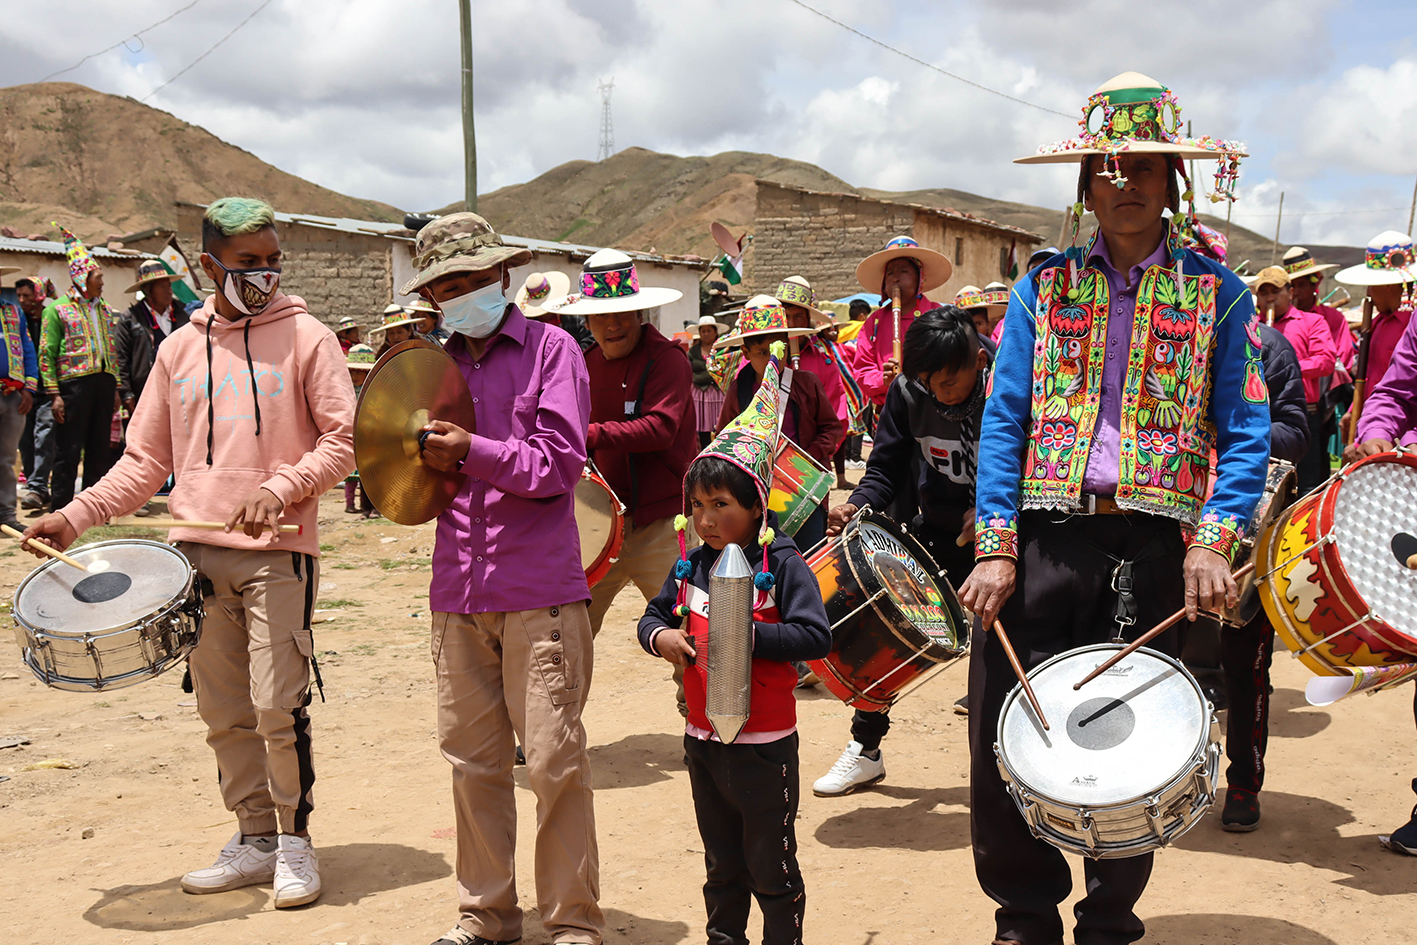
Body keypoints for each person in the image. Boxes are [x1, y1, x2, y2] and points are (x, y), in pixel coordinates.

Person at [959, 73, 1268, 945]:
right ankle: (1022, 914)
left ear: (1174, 180)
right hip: (1040, 539)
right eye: (1104, 167)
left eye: (1142, 167)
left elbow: (1244, 430)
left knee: (1131, 734)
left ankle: (1108, 917)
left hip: (1150, 546)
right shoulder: (1041, 288)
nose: (1122, 183)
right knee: (1004, 721)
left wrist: (1211, 539)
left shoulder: (1219, 295)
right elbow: (1004, 421)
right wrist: (994, 545)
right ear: (1083, 183)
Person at [23, 197, 355, 908]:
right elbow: (144, 459)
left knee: (277, 701)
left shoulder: (308, 337)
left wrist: (285, 484)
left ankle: (295, 840)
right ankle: (254, 837)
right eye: (247, 264)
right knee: (223, 708)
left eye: (271, 261)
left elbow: (343, 440)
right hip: (193, 558)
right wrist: (74, 516)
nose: (263, 275)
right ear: (208, 266)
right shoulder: (178, 348)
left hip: (279, 551)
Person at [402, 212, 602, 945]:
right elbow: (405, 481)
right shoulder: (430, 367)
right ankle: (485, 914)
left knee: (553, 760)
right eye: (444, 286)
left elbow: (556, 466)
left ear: (502, 277)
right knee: (472, 762)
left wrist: (470, 451)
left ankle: (572, 918)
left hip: (539, 590)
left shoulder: (554, 351)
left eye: (470, 280)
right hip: (456, 592)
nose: (460, 295)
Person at [637, 340, 831, 945]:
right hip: (702, 741)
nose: (706, 519)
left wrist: (744, 635)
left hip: (764, 746)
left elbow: (813, 635)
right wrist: (663, 636)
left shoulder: (783, 564)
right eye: (697, 506)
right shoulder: (690, 566)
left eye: (721, 505)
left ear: (755, 507)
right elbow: (650, 616)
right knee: (721, 867)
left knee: (770, 866)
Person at [814, 306, 989, 796]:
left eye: (950, 383)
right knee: (882, 631)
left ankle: (1006, 769)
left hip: (1003, 536)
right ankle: (866, 750)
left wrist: (994, 512)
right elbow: (885, 468)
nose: (939, 395)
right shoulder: (909, 391)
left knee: (1003, 649)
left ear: (978, 361)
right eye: (928, 383)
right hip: (936, 530)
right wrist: (858, 504)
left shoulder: (1008, 387)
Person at [550, 249, 698, 645]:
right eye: (600, 316)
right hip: (601, 523)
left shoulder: (669, 360)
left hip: (666, 525)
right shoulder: (585, 363)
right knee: (567, 633)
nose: (612, 325)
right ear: (587, 320)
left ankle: (701, 709)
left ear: (639, 314)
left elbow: (659, 428)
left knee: (692, 633)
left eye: (621, 314)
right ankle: (561, 709)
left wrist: (586, 434)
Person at [1205, 320, 1309, 832]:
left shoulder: (1267, 347)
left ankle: (1243, 782)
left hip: (1249, 530)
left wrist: (1232, 428)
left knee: (1245, 668)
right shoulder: (1141, 332)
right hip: (1162, 522)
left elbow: (1296, 432)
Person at [716, 296, 841, 550]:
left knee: (807, 557)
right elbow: (723, 437)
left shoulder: (807, 383)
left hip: (804, 492)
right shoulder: (738, 390)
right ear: (746, 353)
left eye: (778, 350)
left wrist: (810, 458)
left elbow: (832, 428)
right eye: (763, 353)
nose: (773, 359)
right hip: (754, 496)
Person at [42, 225, 120, 512]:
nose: (101, 282)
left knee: (99, 449)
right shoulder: (58, 310)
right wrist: (54, 395)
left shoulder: (104, 309)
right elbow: (46, 353)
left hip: (103, 384)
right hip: (73, 387)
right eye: (98, 277)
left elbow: (110, 350)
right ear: (82, 278)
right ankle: (62, 509)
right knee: (69, 449)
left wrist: (115, 387)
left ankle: (93, 509)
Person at [1252, 266, 1337, 494]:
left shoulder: (1312, 322)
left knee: (1306, 485)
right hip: (1258, 414)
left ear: (1290, 293)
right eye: (1264, 292)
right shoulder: (1249, 329)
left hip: (1300, 415)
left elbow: (1326, 360)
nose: (1270, 297)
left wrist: (1284, 364)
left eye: (1276, 291)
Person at [774, 276, 865, 490]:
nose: (793, 324)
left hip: (812, 463)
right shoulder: (762, 357)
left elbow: (835, 417)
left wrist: (815, 451)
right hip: (769, 460)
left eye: (798, 317)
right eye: (787, 317)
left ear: (808, 320)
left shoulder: (823, 359)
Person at [852, 236, 953, 407]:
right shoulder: (874, 322)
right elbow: (862, 370)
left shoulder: (938, 314)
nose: (895, 279)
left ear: (919, 278)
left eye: (904, 271)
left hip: (933, 407)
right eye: (890, 273)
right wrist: (883, 380)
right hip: (888, 409)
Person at [1335, 231, 1416, 402]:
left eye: (1372, 285)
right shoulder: (1376, 324)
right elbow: (1369, 375)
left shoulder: (1411, 326)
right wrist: (1353, 411)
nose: (1368, 292)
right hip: (1374, 418)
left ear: (1388, 286)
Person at [0, 275, 37, 531]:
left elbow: (27, 347)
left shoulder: (13, 311)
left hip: (12, 394)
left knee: (5, 459)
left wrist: (28, 388)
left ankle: (6, 515)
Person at [15, 275, 55, 511]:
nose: (21, 301)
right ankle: (36, 488)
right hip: (23, 391)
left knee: (44, 437)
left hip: (48, 391)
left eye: (26, 296)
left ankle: (38, 486)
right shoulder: (17, 321)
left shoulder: (53, 319)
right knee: (26, 440)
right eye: (19, 296)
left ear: (39, 296)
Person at [689, 313, 730, 448]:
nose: (706, 334)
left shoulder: (724, 349)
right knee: (702, 428)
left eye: (709, 331)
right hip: (699, 394)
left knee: (719, 425)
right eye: (703, 331)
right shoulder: (693, 352)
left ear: (715, 332)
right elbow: (689, 371)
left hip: (718, 392)